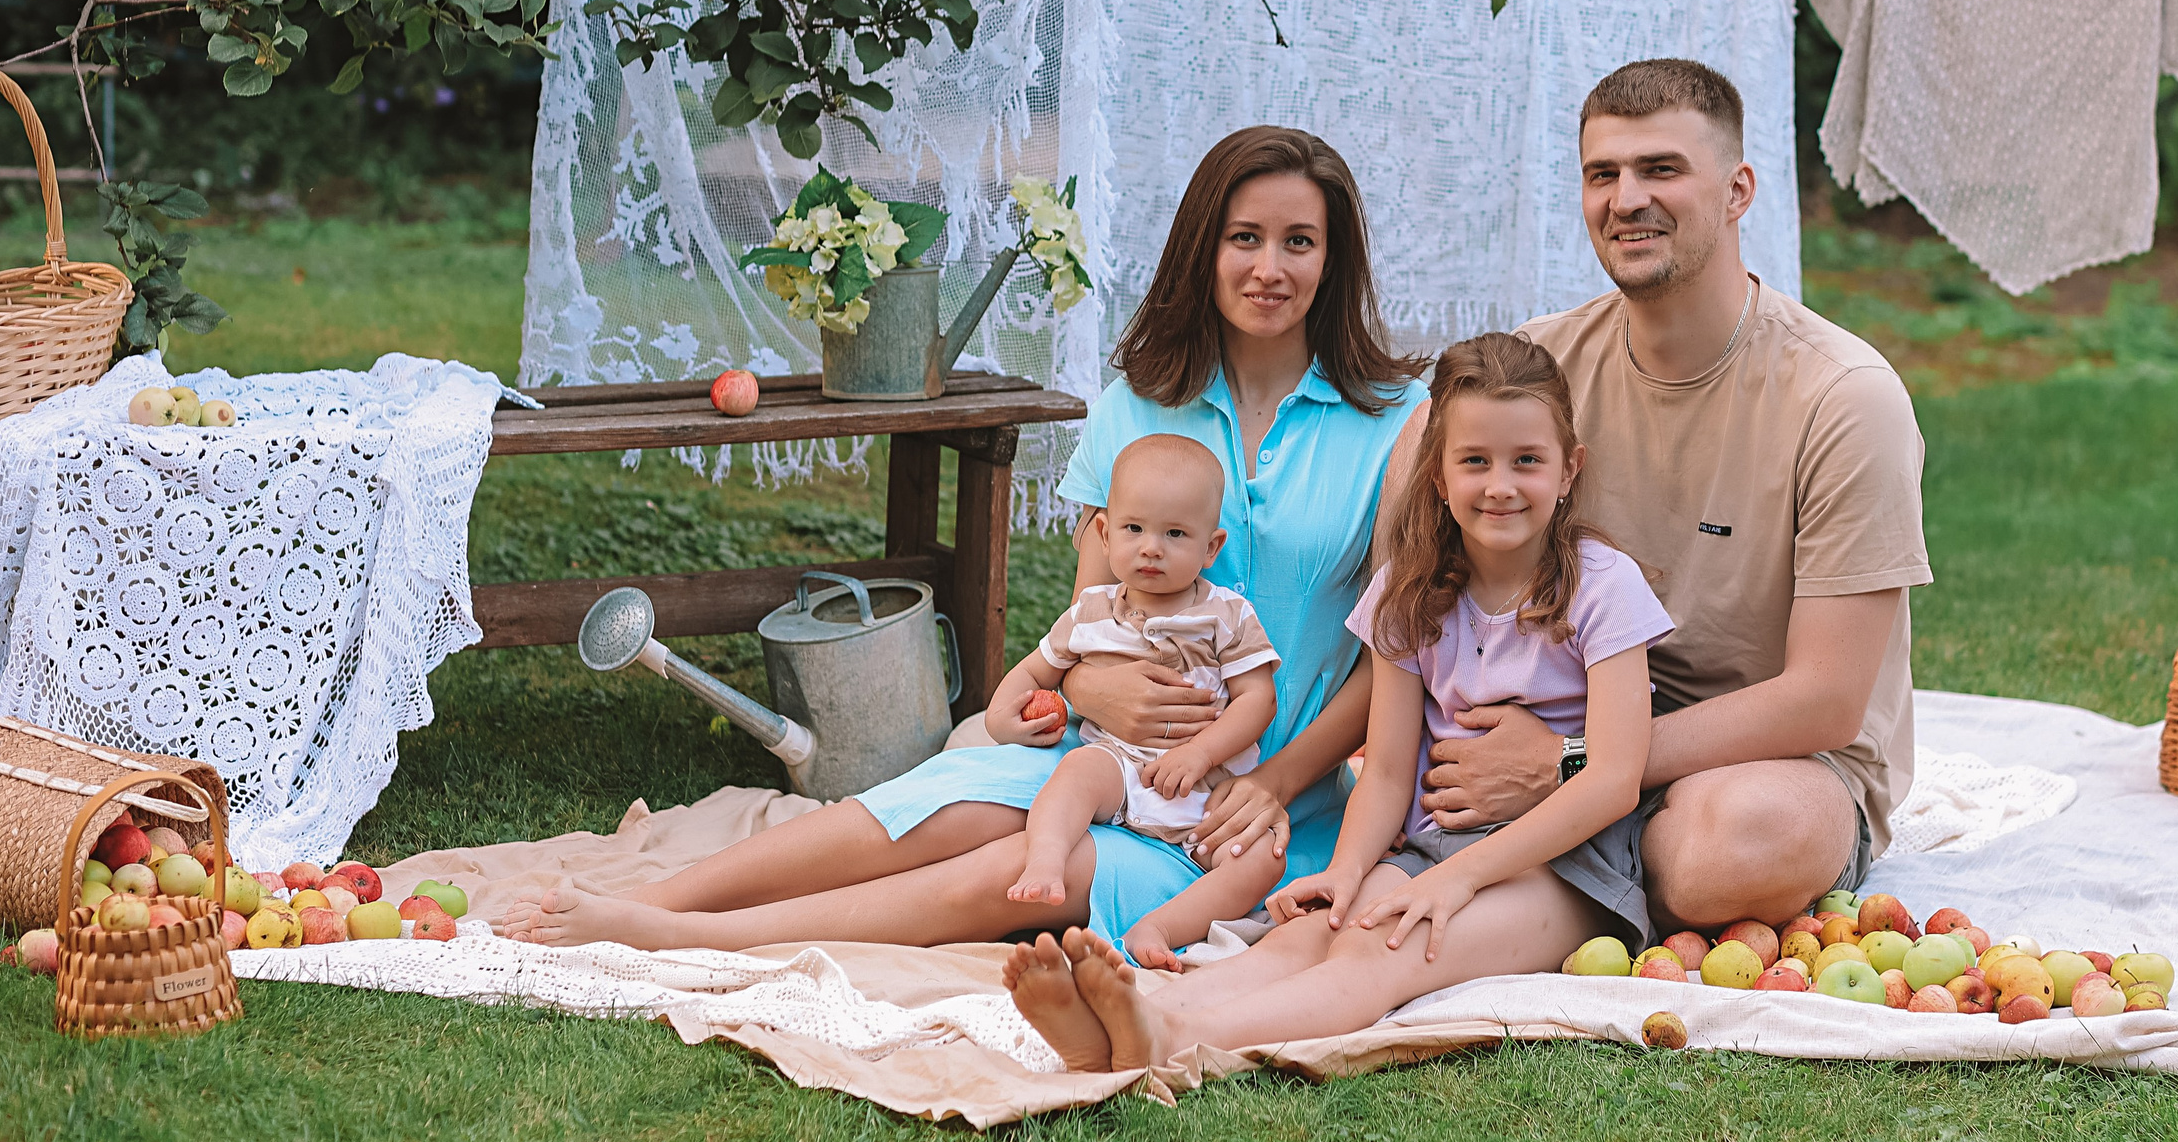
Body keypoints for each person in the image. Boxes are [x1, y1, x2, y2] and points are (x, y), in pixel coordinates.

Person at [501, 126, 1427, 954]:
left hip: (1254, 810)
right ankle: (659, 900)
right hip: (1100, 760)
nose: (1270, 266)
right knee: (940, 805)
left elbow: (1389, 657)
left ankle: (686, 937)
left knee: (1014, 874)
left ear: (1332, 260)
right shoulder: (1140, 404)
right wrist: (1088, 682)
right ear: (1204, 249)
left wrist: (1278, 778)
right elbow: (1088, 608)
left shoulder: (1395, 425)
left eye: (1299, 242)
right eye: (1245, 237)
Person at [1003, 331, 1673, 1071]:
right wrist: (1348, 869)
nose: (1500, 484)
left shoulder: (1603, 588)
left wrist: (1460, 877)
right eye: (1474, 460)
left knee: (1381, 951)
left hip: (1567, 864)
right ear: (1441, 477)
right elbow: (1386, 772)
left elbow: (1613, 775)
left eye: (1527, 460)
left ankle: (1173, 1040)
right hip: (1432, 844)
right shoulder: (1411, 595)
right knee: (1311, 931)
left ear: (1569, 468)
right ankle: (1137, 1014)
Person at [1413, 58, 1931, 931]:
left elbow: (1826, 699)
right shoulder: (1545, 364)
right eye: (1602, 175)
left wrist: (1569, 763)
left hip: (1775, 763)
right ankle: (1567, 858)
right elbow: (1410, 536)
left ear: (1737, 191)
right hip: (1562, 712)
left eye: (1660, 170)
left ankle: (1563, 867)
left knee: (1721, 852)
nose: (1626, 200)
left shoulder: (1844, 396)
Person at [987, 432, 1285, 969]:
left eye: (1175, 533)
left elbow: (1257, 700)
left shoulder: (1227, 615)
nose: (1151, 547)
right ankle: (1046, 862)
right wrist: (1000, 716)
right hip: (1120, 769)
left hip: (1206, 792)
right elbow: (1036, 670)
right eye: (1134, 529)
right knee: (1077, 771)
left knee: (1262, 855)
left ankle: (1163, 926)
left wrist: (1202, 754)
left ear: (1211, 547)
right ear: (1104, 533)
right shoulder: (1091, 612)